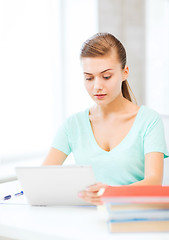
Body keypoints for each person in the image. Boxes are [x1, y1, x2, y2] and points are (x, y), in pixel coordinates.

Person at [43, 32, 169, 205]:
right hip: (84, 220)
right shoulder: (72, 125)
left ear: (125, 73)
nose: (97, 86)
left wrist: (110, 193)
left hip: (131, 217)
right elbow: (42, 178)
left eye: (106, 76)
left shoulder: (149, 120)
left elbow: (154, 183)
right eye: (89, 78)